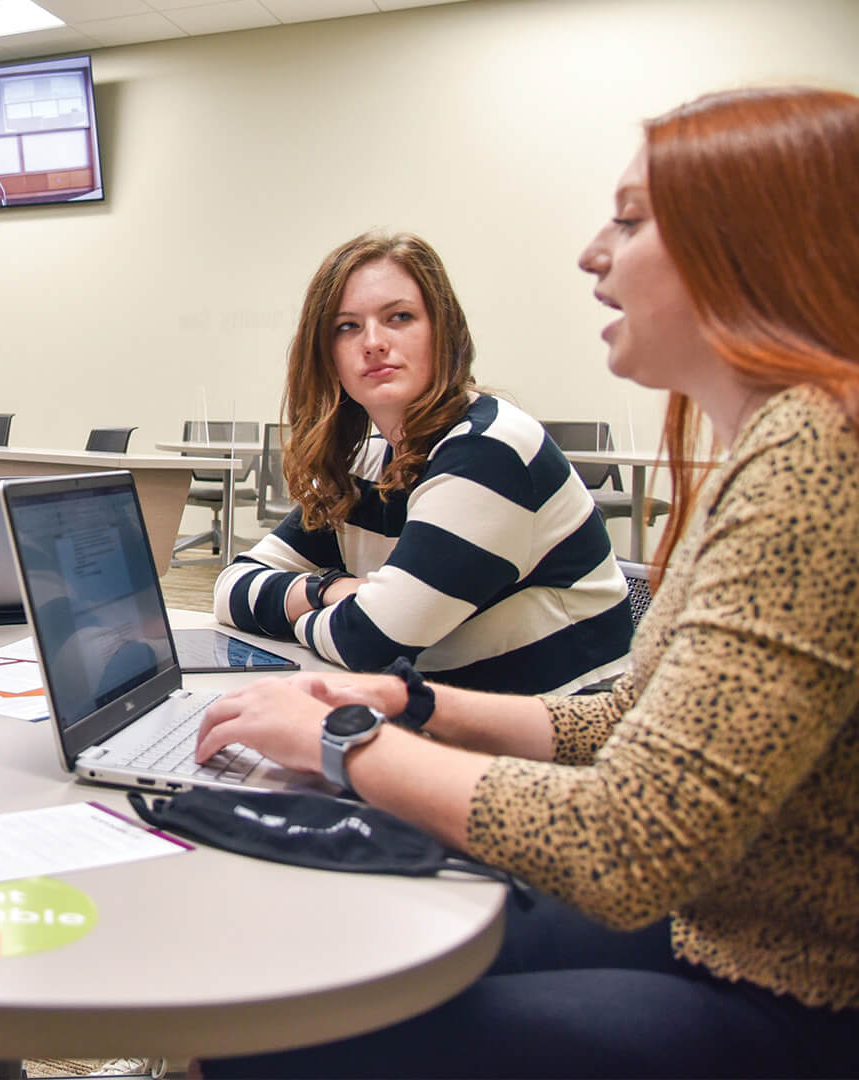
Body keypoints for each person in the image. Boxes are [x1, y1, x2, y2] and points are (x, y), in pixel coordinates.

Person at [195, 86, 859, 1077]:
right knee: (335, 943)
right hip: (715, 918)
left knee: (273, 1028)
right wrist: (411, 700)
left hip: (787, 987)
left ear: (750, 247)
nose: (595, 252)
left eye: (630, 222)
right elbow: (633, 718)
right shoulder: (772, 446)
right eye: (346, 327)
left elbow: (634, 842)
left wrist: (349, 742)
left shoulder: (812, 467)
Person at [214, 231, 632, 693]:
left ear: (443, 332)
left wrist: (310, 613)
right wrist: (327, 590)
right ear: (327, 355)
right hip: (447, 716)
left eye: (399, 317)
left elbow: (372, 641)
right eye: (346, 326)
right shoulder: (368, 460)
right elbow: (230, 588)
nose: (373, 342)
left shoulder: (489, 451)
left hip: (564, 737)